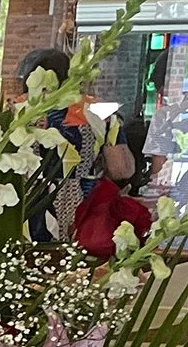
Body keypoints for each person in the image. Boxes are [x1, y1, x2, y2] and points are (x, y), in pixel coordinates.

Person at [15, 45, 133, 241]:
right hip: (81, 205)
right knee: (73, 258)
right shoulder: (98, 111)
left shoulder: (17, 108)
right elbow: (121, 169)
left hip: (25, 203)